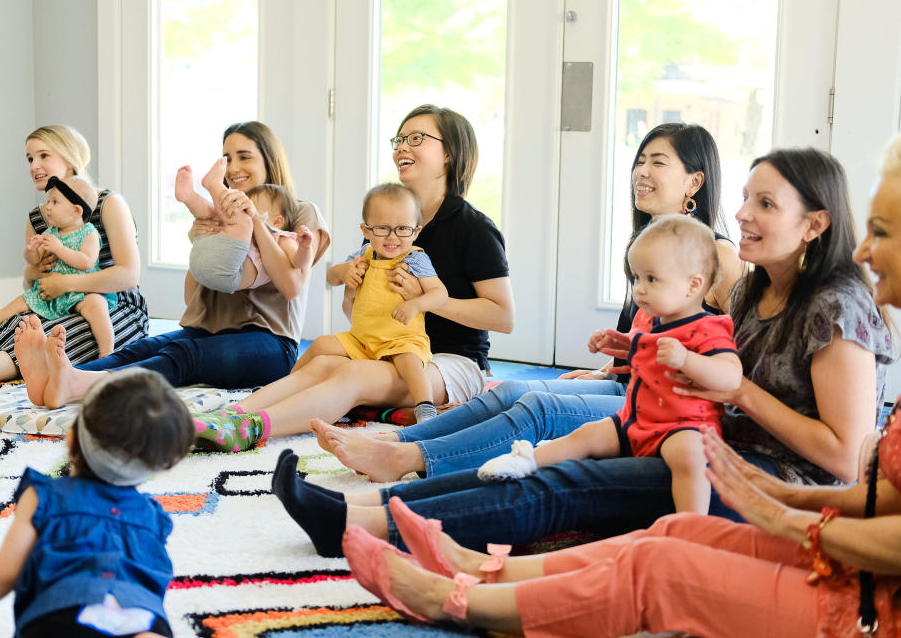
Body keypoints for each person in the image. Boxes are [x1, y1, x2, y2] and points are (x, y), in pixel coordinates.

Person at [272, 145, 893, 559]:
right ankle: (366, 503)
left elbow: (844, 456)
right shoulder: (756, 286)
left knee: (563, 481)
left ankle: (367, 524)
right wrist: (640, 350)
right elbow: (704, 354)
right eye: (747, 198)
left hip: (761, 484)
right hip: (697, 441)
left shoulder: (836, 309)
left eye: (765, 204)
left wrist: (738, 392)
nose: (742, 214)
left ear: (815, 224)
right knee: (536, 454)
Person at [311, 122, 745, 482]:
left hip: (659, 405)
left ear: (694, 181)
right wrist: (605, 370)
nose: (640, 171)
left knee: (538, 405)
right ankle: (403, 441)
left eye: (657, 162)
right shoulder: (648, 247)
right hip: (625, 383)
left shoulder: (718, 255)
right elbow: (647, 339)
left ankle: (406, 461)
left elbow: (727, 357)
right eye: (640, 161)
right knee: (514, 389)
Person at [176, 104, 513, 445]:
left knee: (351, 372)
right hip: (381, 347)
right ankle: (232, 414)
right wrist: (353, 288)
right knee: (322, 358)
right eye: (399, 139)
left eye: (416, 138)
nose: (402, 147)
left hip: (450, 361)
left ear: (449, 154)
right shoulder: (384, 223)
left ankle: (251, 429)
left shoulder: (475, 228)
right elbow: (354, 313)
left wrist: (421, 300)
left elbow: (503, 317)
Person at [15, 121, 330, 411]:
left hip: (270, 344)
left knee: (181, 357)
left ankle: (81, 385)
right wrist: (203, 243)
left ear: (269, 161)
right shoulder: (223, 218)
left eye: (244, 157)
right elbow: (191, 298)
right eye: (227, 158)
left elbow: (292, 287)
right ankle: (59, 377)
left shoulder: (300, 214)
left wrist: (256, 224)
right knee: (140, 349)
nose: (233, 168)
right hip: (206, 331)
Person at [479, 215, 742, 514]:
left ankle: (690, 525)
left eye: (651, 278)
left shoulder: (711, 327)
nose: (639, 289)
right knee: (586, 435)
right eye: (636, 278)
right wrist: (620, 347)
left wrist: (688, 360)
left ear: (693, 285)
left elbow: (731, 377)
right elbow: (645, 360)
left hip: (683, 427)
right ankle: (526, 461)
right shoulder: (654, 323)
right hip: (634, 421)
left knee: (690, 459)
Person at [0, 368, 193, 638]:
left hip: (60, 612)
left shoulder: (44, 496)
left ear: (71, 439)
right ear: (155, 467)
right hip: (141, 616)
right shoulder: (153, 517)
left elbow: (5, 570)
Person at [0, 125, 148, 391]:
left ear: (70, 157)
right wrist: (37, 271)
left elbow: (128, 275)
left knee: (56, 334)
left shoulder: (108, 203)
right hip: (59, 301)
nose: (33, 165)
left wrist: (66, 284)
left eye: (43, 155)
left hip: (115, 305)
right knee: (23, 323)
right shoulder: (38, 217)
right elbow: (32, 282)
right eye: (29, 159)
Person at [307, 183, 448, 426]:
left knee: (410, 364)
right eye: (383, 228)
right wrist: (345, 271)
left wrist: (416, 304)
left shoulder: (415, 258)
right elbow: (330, 278)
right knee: (321, 344)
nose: (393, 237)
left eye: (402, 229)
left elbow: (440, 293)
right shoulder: (364, 253)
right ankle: (288, 382)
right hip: (362, 339)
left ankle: (424, 408)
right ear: (366, 230)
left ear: (416, 231)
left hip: (401, 339)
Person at [0, 176, 117, 358]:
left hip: (82, 291)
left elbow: (87, 261)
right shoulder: (50, 232)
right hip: (51, 292)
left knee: (97, 307)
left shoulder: (89, 233)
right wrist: (31, 251)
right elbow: (36, 261)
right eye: (48, 201)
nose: (47, 206)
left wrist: (60, 249)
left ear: (76, 210)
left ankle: (106, 351)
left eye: (55, 202)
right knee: (19, 302)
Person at [177, 160, 315, 294]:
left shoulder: (281, 238)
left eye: (250, 208)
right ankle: (189, 196)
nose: (245, 210)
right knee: (215, 214)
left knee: (241, 219)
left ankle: (214, 184)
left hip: (231, 275)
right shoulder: (237, 231)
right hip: (201, 266)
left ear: (277, 222)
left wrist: (305, 247)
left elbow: (298, 262)